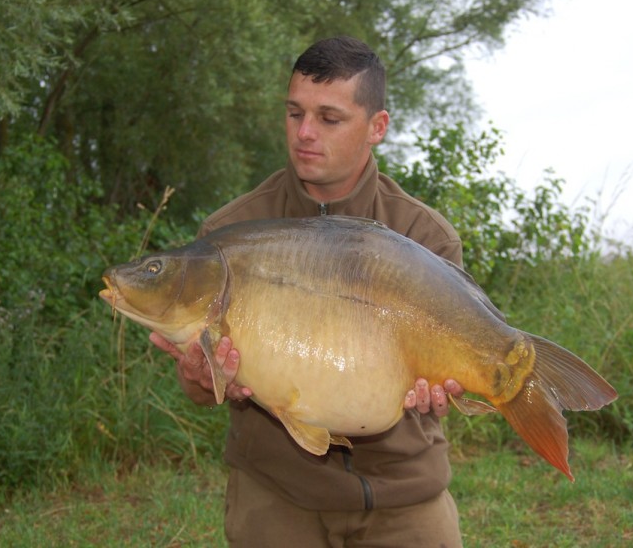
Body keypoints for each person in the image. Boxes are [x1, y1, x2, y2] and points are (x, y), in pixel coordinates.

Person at [150, 36, 466, 547]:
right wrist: (200, 376)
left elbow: (447, 380)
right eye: (294, 113)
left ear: (377, 127)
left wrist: (443, 388)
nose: (304, 133)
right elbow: (200, 388)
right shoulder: (233, 229)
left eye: (329, 118)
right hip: (278, 492)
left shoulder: (424, 235)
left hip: (404, 493)